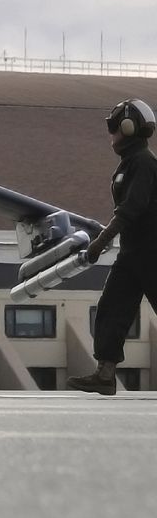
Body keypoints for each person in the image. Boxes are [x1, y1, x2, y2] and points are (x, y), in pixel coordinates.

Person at [67, 99, 157, 394]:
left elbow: (131, 209)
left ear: (128, 128)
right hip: (133, 253)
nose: (111, 133)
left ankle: (105, 372)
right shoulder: (129, 164)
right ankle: (105, 373)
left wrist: (101, 241)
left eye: (113, 126)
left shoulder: (143, 163)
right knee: (111, 308)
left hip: (151, 252)